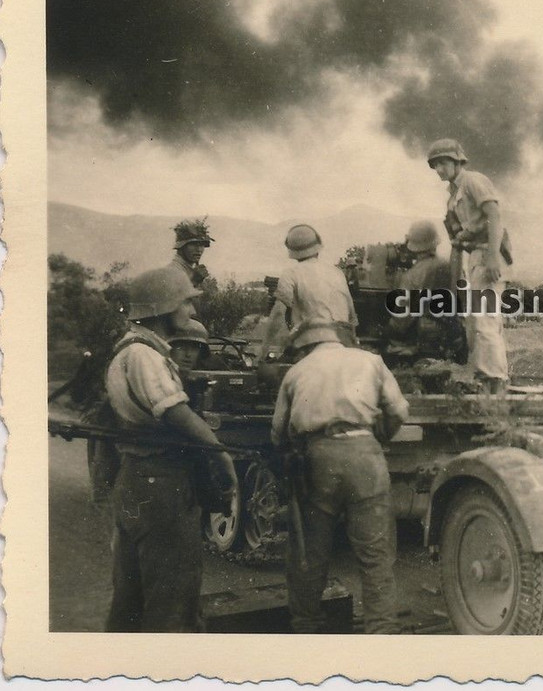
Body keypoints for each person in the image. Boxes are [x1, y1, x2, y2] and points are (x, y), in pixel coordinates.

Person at [104, 267, 238, 632]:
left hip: (134, 477)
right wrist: (219, 453)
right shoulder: (145, 355)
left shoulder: (128, 350)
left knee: (129, 604)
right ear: (163, 306)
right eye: (185, 303)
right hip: (161, 484)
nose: (192, 313)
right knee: (171, 603)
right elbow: (175, 411)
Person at [271, 328, 409, 634]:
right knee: (376, 557)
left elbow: (277, 432)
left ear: (304, 347)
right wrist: (380, 435)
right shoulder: (370, 361)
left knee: (310, 555)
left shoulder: (296, 372)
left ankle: (307, 628)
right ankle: (382, 633)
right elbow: (400, 410)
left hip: (318, 459)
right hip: (365, 456)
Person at [427, 138, 511, 394]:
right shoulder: (453, 194)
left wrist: (493, 257)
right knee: (480, 320)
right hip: (476, 256)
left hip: (488, 255)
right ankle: (490, 377)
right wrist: (465, 235)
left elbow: (495, 216)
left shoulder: (473, 181)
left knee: (484, 319)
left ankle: (493, 380)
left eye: (443, 163)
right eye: (435, 165)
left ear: (456, 161)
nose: (439, 170)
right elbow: (467, 229)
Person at [259, 224, 358, 362]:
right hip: (343, 342)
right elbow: (352, 318)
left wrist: (263, 351)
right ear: (318, 246)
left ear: (291, 250)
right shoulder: (338, 273)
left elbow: (278, 314)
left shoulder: (291, 274)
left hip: (310, 345)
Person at [388, 220, 464, 361]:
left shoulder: (412, 274)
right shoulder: (449, 266)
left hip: (424, 341)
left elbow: (402, 317)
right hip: (452, 335)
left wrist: (388, 330)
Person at [168, 218, 214, 287]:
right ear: (182, 246)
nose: (199, 249)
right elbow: (172, 296)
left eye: (202, 245)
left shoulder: (190, 270)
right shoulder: (173, 271)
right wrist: (193, 281)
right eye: (193, 244)